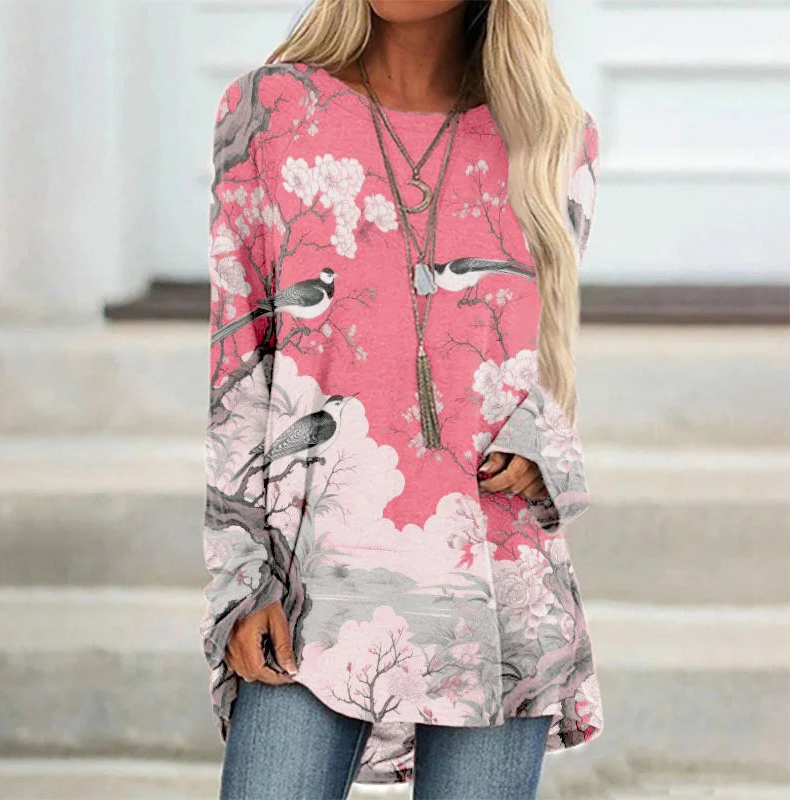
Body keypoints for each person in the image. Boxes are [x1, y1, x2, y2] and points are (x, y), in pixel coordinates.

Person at [200, 1, 603, 798]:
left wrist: (541, 445)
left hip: (496, 583)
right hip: (314, 576)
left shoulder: (553, 136)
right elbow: (238, 368)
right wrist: (242, 579)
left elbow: (547, 354)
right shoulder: (269, 114)